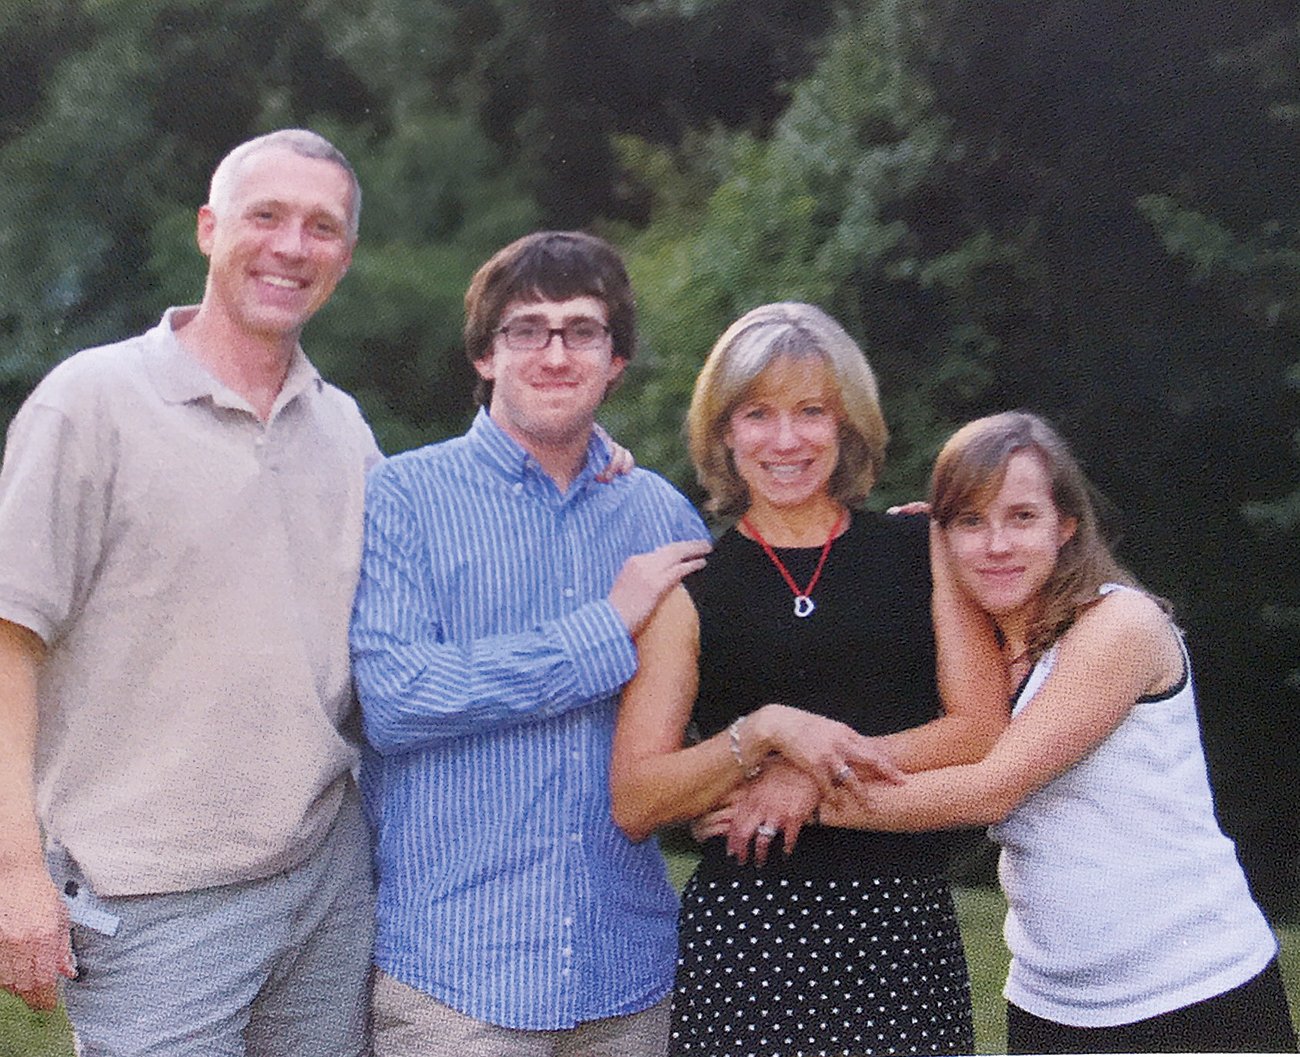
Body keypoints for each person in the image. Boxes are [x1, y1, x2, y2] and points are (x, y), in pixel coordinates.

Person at [0, 129, 379, 1054]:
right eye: (266, 216)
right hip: (153, 903)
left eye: (321, 226)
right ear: (209, 229)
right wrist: (14, 873)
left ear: (345, 256)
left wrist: (580, 470)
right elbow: (10, 642)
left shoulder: (343, 428)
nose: (292, 246)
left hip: (326, 883)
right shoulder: (89, 402)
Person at [828, 410, 1298, 1053]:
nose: (996, 545)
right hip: (1049, 1005)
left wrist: (803, 800)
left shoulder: (1118, 624)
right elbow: (970, 730)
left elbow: (991, 789)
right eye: (970, 520)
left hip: (1196, 992)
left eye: (1021, 517)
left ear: (1066, 527)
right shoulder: (993, 649)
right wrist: (940, 561)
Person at [609, 302, 1008, 1057]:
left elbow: (981, 729)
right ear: (724, 432)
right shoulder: (693, 589)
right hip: (748, 948)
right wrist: (760, 733)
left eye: (811, 411)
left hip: (901, 936)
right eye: (757, 413)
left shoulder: (920, 548)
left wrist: (811, 777)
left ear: (847, 423)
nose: (785, 439)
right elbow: (636, 798)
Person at [349, 230, 713, 1056]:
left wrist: (917, 554)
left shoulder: (658, 516)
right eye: (526, 329)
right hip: (456, 983)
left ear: (616, 358)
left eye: (581, 330)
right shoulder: (405, 496)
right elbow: (398, 699)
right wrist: (603, 626)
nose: (555, 352)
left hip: (627, 978)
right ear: (485, 355)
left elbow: (731, 688)